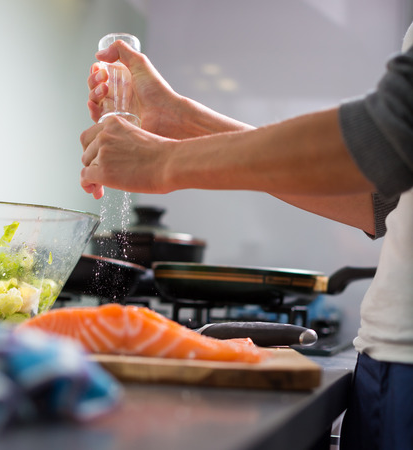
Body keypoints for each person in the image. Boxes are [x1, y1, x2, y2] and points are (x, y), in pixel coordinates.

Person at [80, 23, 413, 450]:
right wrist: (180, 120)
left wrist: (162, 162)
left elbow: (385, 135)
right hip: (388, 362)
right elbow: (380, 201)